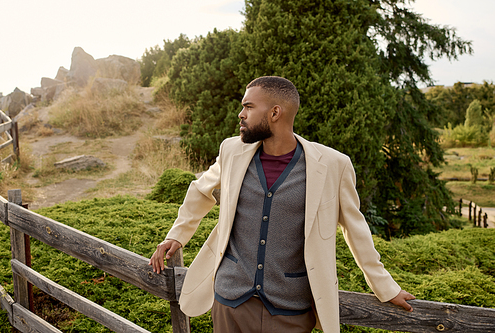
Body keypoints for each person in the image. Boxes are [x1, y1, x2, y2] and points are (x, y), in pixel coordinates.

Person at [149, 76, 415, 332]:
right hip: (230, 304)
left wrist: (385, 287)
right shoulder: (232, 151)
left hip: (290, 313)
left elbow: (355, 230)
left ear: (275, 113)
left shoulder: (333, 165)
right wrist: (177, 235)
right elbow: (199, 190)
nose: (241, 114)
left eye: (248, 107)